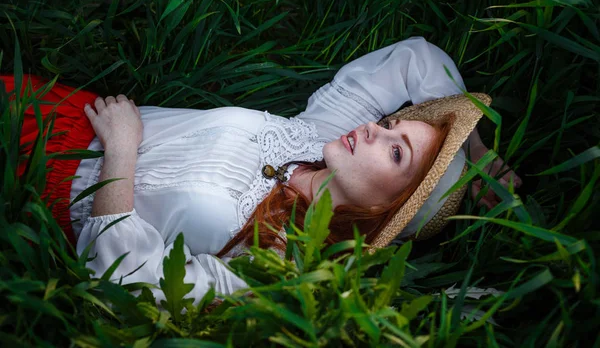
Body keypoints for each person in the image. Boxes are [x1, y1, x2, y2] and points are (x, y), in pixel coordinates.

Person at [2, 37, 522, 307]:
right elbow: (415, 57)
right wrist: (472, 148)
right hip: (64, 114)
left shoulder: (274, 264)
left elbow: (128, 279)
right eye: (391, 123)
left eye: (396, 153)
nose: (376, 129)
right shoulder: (320, 134)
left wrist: (121, 149)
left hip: (37, 194)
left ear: (388, 210)